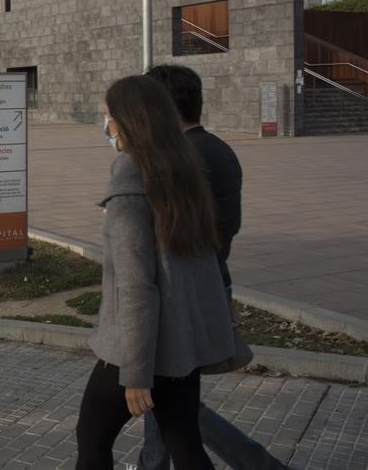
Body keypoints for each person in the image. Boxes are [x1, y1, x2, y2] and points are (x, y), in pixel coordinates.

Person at [75, 75, 235, 470]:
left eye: (109, 117)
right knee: (185, 444)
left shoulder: (131, 188)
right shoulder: (183, 174)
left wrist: (135, 374)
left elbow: (136, 289)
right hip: (182, 348)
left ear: (130, 122)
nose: (107, 126)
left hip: (138, 351)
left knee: (91, 438)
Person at [140, 64, 287, 470]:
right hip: (207, 284)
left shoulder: (184, 159)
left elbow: (167, 236)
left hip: (181, 294)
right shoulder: (218, 148)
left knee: (171, 398)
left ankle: (258, 463)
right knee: (168, 392)